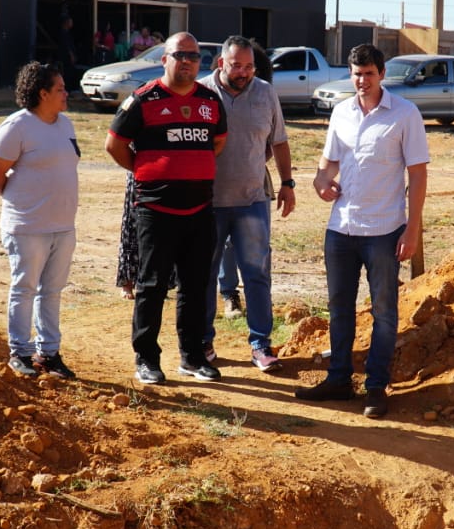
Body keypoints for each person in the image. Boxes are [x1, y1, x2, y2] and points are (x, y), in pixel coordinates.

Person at [297, 43, 429, 419]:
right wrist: (320, 183)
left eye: (369, 73)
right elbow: (328, 165)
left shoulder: (405, 114)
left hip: (384, 230)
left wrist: (412, 230)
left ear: (382, 74)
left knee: (384, 312)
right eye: (356, 73)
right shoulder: (341, 113)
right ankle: (338, 380)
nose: (362, 80)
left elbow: (417, 175)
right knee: (340, 309)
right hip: (341, 229)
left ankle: (375, 387)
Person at [105, 32, 227, 385]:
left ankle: (191, 357)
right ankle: (146, 358)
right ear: (165, 59)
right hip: (156, 210)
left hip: (200, 209)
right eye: (180, 55)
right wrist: (148, 170)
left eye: (194, 55)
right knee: (151, 285)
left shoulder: (210, 100)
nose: (187, 61)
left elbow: (218, 141)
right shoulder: (143, 99)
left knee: (195, 285)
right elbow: (114, 144)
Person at [198, 35, 295, 373]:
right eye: (236, 65)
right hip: (207, 203)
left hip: (253, 200)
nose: (243, 72)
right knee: (204, 275)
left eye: (249, 66)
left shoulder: (265, 92)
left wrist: (287, 183)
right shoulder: (200, 93)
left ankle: (260, 344)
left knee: (256, 274)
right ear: (221, 63)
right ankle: (203, 341)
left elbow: (278, 141)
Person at [0, 61, 79, 380]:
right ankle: (20, 352)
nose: (67, 93)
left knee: (51, 290)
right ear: (42, 93)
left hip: (63, 226)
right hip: (27, 227)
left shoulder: (65, 125)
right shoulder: (17, 127)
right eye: (60, 89)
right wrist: (23, 204)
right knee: (24, 287)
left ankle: (48, 353)